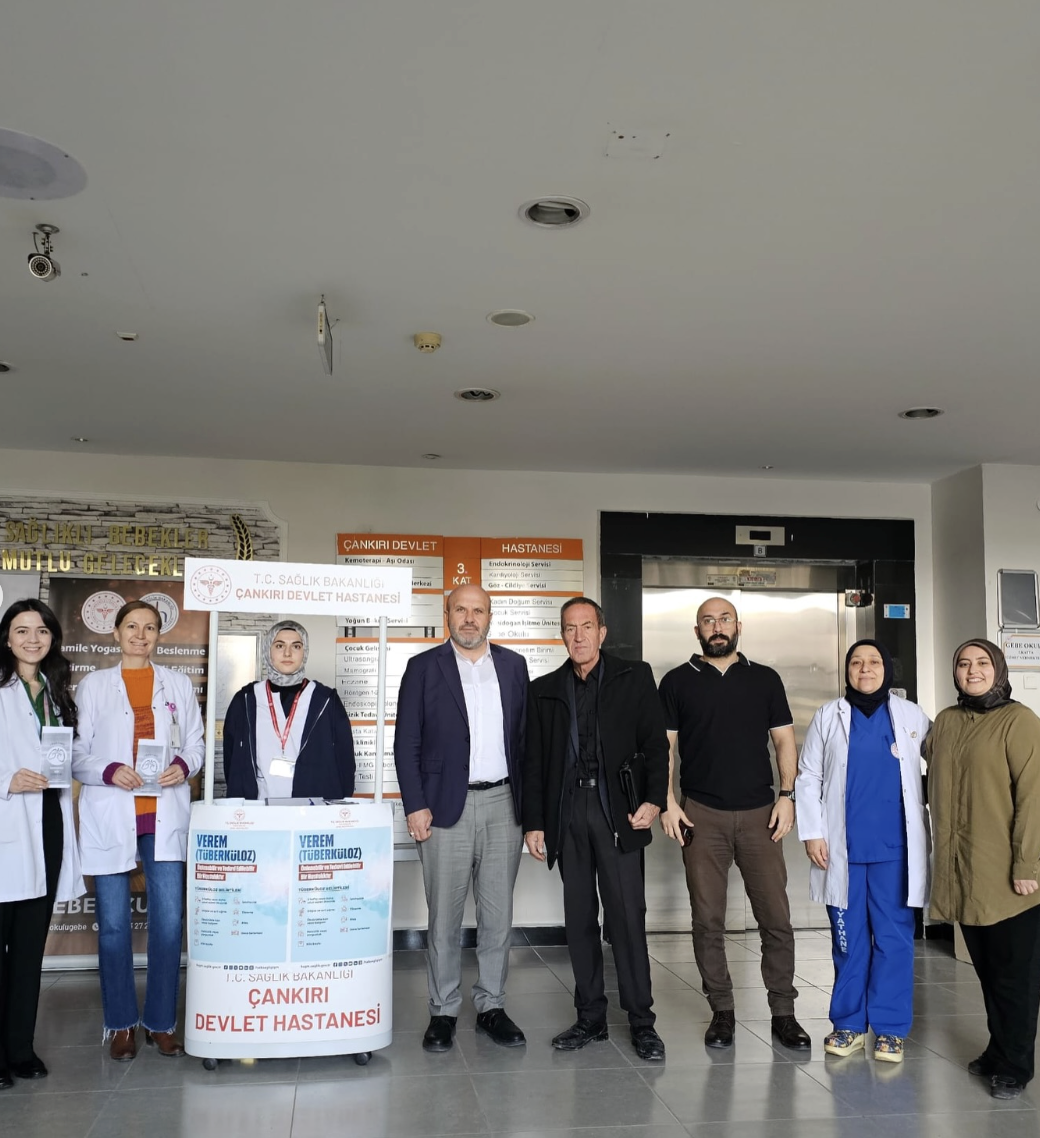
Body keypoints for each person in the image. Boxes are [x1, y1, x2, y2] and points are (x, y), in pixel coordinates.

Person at [658, 596, 810, 1050]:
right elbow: (665, 748)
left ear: (738, 625)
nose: (717, 626)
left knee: (776, 919)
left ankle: (783, 1012)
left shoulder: (765, 679)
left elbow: (784, 743)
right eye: (708, 620)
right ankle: (722, 1010)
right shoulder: (676, 682)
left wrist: (787, 796)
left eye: (724, 619)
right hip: (701, 815)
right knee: (708, 921)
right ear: (697, 631)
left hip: (762, 815)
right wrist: (667, 801)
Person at [524, 597, 668, 1061]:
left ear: (602, 633)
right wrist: (535, 823)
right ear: (561, 636)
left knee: (627, 918)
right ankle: (590, 1017)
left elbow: (655, 744)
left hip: (617, 812)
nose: (579, 636)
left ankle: (642, 1021)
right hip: (569, 812)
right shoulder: (545, 689)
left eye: (587, 626)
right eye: (570, 628)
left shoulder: (634, 677)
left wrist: (654, 799)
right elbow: (534, 762)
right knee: (580, 920)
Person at [394, 585, 529, 1053]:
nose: (469, 618)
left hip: (504, 804)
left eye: (478, 610)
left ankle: (492, 1005)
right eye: (461, 610)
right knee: (443, 919)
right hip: (442, 807)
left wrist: (531, 811)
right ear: (446, 614)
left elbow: (525, 740)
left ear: (490, 616)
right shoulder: (422, 668)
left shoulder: (514, 666)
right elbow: (407, 743)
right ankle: (443, 1009)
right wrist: (415, 805)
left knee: (498, 915)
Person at [74, 600, 204, 1061]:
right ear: (115, 633)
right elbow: (76, 754)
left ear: (159, 636)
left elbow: (196, 743)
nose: (140, 635)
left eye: (150, 628)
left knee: (168, 924)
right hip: (112, 813)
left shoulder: (177, 683)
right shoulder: (93, 686)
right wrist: (110, 770)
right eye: (131, 626)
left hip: (162, 814)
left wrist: (183, 765)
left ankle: (161, 1023)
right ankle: (121, 1023)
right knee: (113, 927)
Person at [795, 639, 931, 1063]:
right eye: (856, 662)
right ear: (847, 670)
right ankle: (849, 1024)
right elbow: (808, 776)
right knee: (848, 942)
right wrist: (812, 833)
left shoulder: (912, 716)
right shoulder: (828, 716)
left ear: (887, 669)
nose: (865, 669)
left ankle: (890, 1029)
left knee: (894, 939)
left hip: (895, 852)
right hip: (842, 851)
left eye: (874, 662)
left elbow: (942, 767)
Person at [927, 639, 1040, 1100]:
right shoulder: (946, 722)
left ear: (999, 669)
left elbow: (1034, 797)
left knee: (1016, 977)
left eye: (982, 663)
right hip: (963, 871)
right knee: (989, 972)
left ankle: (1016, 1064)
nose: (972, 670)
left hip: (1009, 874)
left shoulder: (1020, 721)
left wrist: (1028, 863)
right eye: (963, 663)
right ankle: (998, 1051)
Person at [0, 600, 85, 1087]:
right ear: (6, 637)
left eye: (42, 631)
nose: (33, 639)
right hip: (8, 819)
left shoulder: (55, 691)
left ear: (53, 637)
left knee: (31, 947)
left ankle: (19, 1049)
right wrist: (6, 780)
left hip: (47, 822)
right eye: (21, 630)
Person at [223, 620, 355, 800]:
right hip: (258, 809)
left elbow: (345, 761)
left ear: (305, 652)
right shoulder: (246, 700)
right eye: (279, 645)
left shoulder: (325, 700)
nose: (287, 653)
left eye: (296, 646)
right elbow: (231, 761)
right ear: (268, 650)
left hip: (312, 810)